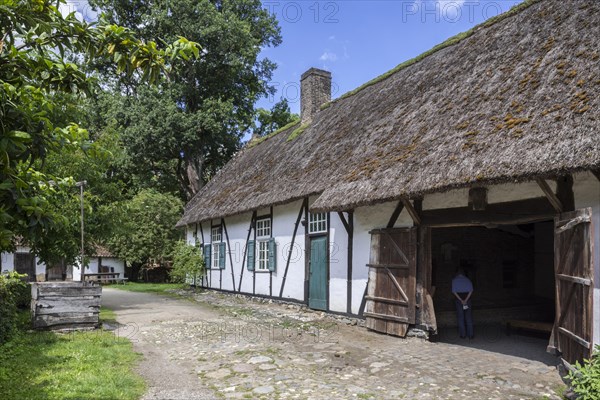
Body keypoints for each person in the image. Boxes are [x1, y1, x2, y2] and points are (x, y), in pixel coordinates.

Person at [452, 268, 474, 339]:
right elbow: (471, 291)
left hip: (459, 301)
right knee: (469, 317)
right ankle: (470, 335)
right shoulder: (468, 280)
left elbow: (454, 292)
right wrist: (466, 300)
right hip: (468, 300)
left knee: (460, 317)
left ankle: (463, 335)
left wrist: (461, 300)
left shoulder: (454, 281)